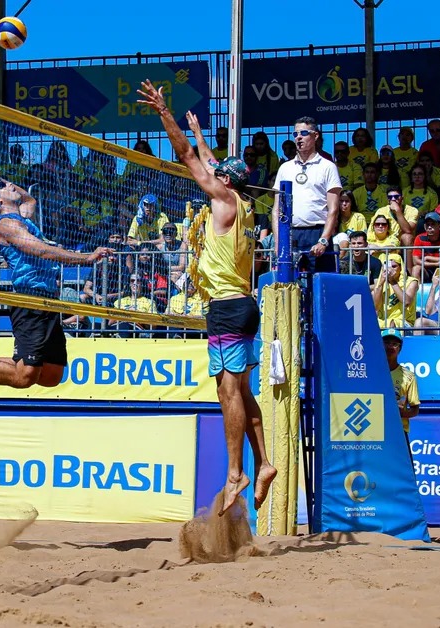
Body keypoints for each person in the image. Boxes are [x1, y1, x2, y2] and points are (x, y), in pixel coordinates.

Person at [136, 80, 276, 515]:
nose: (210, 175)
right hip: (236, 305)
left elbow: (188, 159)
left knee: (228, 394)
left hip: (229, 307)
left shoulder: (223, 200)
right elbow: (210, 161)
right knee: (238, 392)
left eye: (217, 175)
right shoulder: (240, 201)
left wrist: (165, 113)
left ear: (224, 182)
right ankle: (265, 463)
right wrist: (198, 132)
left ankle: (236, 473)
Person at [0, 158, 112, 398]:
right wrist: (86, 258)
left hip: (47, 298)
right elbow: (42, 250)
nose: (12, 186)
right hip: (29, 299)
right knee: (24, 377)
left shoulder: (24, 218)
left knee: (52, 376)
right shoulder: (6, 225)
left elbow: (30, 199)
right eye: (4, 188)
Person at [273, 117, 342, 272]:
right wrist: (278, 241)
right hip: (291, 232)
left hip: (317, 231)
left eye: (304, 133)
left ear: (315, 136)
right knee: (290, 284)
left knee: (321, 284)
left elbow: (333, 209)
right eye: (295, 134)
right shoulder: (285, 168)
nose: (298, 137)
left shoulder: (327, 167)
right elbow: (277, 209)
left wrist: (323, 240)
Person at [381, 329, 419, 439]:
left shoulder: (409, 376)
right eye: (386, 343)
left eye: (394, 344)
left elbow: (415, 409)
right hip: (374, 430)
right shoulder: (371, 373)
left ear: (400, 348)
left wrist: (402, 412)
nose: (390, 347)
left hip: (398, 432)